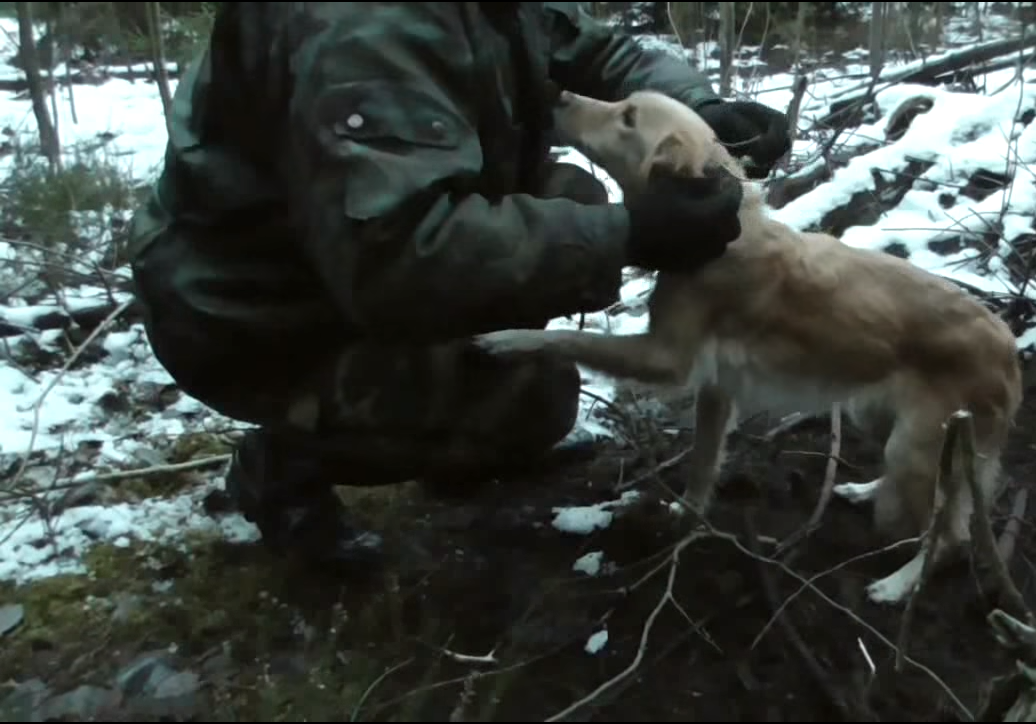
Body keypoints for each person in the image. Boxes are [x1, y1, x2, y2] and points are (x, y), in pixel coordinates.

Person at [124, 2, 793, 568]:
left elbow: (592, 48)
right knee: (503, 398)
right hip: (252, 309)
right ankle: (281, 464)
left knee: (536, 388)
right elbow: (398, 258)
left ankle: (449, 419)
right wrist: (627, 236)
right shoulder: (361, 31)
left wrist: (702, 108)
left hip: (344, 252)